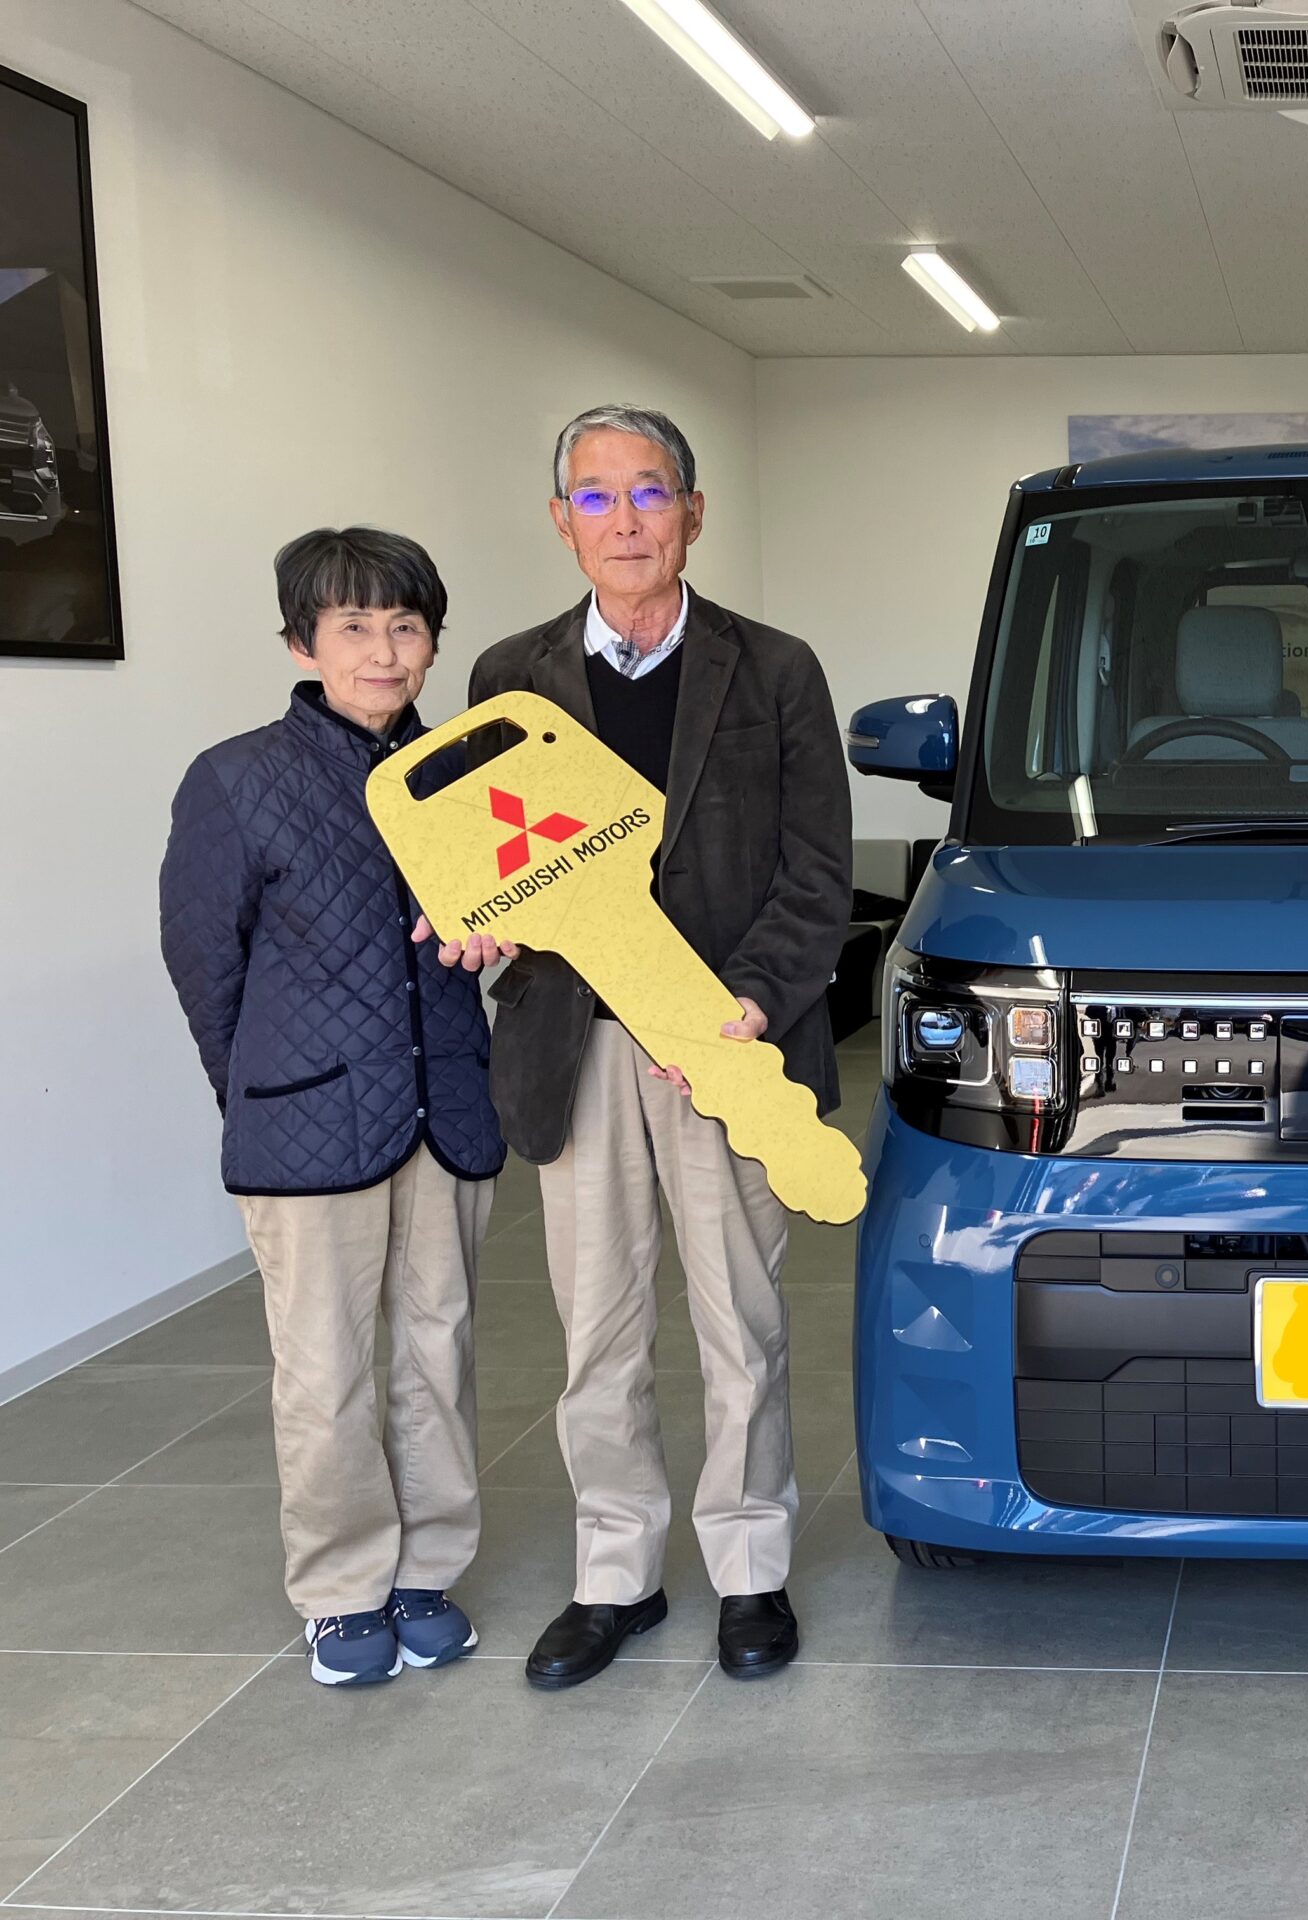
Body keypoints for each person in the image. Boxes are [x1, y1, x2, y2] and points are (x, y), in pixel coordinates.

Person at [444, 404, 851, 1690]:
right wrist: (480, 928)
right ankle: (615, 1573)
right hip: (576, 1046)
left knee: (741, 1321)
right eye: (596, 496)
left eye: (649, 491)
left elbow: (817, 871)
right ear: (560, 522)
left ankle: (751, 1566)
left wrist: (747, 1003)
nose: (625, 520)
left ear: (693, 511)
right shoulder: (507, 675)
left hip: (727, 1045)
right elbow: (496, 871)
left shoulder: (774, 669)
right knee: (599, 1331)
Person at [160, 527, 503, 1686]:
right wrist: (257, 1094)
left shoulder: (466, 772)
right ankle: (344, 1587)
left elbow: (508, 919)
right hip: (305, 1122)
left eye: (405, 626)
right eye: (354, 626)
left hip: (446, 1110)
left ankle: (428, 1567)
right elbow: (206, 965)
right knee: (325, 1365)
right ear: (301, 642)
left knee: (438, 1350)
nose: (384, 651)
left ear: (432, 641)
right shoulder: (236, 779)